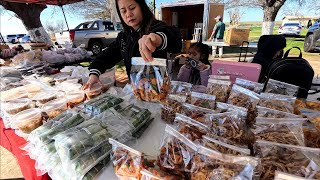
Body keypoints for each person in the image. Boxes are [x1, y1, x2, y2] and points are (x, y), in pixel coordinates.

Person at [83, 0, 182, 89]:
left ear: (142, 7)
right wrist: (94, 73)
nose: (129, 14)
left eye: (132, 8)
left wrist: (157, 39)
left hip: (158, 90)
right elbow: (107, 55)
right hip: (137, 90)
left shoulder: (157, 27)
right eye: (123, 11)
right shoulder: (123, 37)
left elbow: (175, 40)